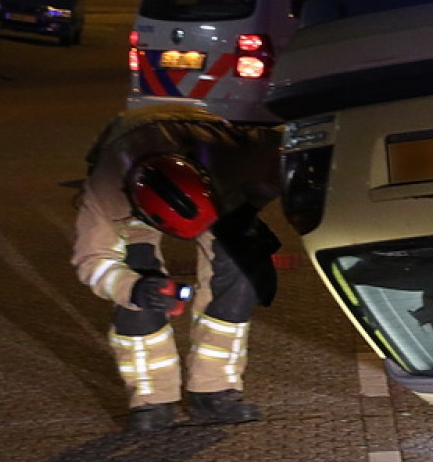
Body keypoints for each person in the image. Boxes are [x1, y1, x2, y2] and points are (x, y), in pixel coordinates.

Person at [72, 104, 283, 433]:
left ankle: (213, 391)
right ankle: (152, 398)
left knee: (241, 277)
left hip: (219, 192)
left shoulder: (246, 157)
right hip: (135, 183)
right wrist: (132, 287)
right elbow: (93, 260)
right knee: (141, 289)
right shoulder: (107, 191)